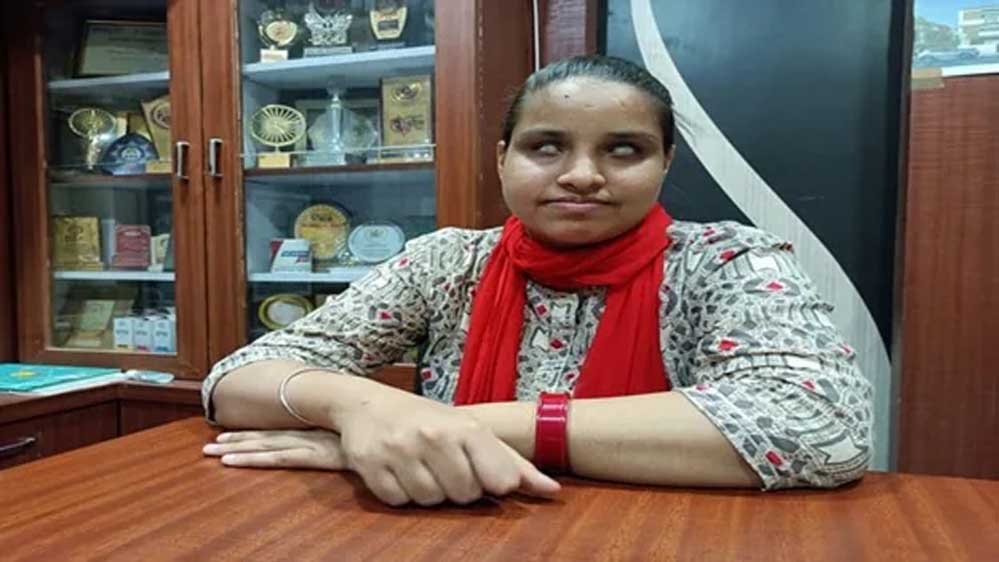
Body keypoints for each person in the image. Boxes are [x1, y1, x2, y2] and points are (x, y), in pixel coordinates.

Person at [202, 55, 873, 507]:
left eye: (624, 149)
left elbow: (822, 430)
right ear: (503, 159)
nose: (581, 175)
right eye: (545, 146)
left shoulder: (726, 262)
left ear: (665, 162)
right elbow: (236, 381)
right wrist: (363, 411)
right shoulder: (448, 263)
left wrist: (438, 428)